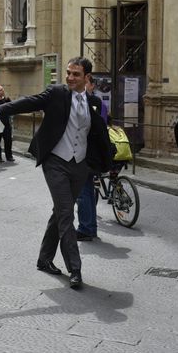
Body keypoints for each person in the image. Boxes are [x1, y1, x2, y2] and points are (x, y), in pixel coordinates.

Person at [0, 57, 112, 289]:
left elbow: (99, 135)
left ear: (87, 78)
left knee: (59, 212)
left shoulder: (93, 102)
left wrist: (102, 163)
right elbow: (26, 103)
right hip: (56, 161)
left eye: (76, 74)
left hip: (79, 166)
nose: (70, 77)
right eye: (68, 72)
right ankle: (75, 269)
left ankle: (44, 258)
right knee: (67, 212)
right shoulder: (57, 93)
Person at [75, 75, 109, 241]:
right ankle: (90, 227)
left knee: (83, 193)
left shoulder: (92, 102)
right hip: (90, 154)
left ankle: (86, 228)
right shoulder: (94, 102)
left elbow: (98, 128)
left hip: (87, 154)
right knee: (87, 191)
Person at [0, 84, 14, 163]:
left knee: (8, 140)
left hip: (6, 123)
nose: (3, 91)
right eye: (0, 90)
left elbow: (12, 107)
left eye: (3, 89)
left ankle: (9, 156)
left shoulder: (6, 99)